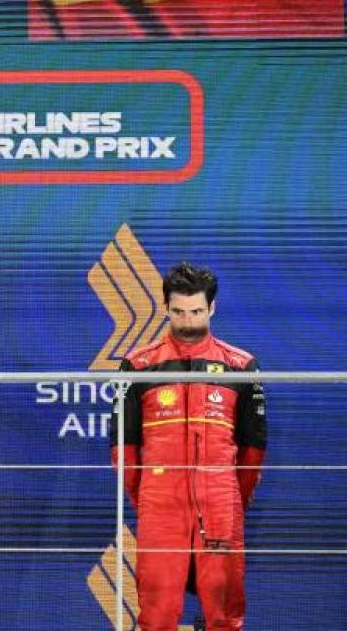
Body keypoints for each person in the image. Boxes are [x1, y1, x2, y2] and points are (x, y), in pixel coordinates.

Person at [112, 262, 266, 631]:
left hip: (219, 500)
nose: (188, 321)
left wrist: (228, 497)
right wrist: (149, 498)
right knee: (157, 613)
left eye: (196, 311)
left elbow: (253, 449)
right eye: (179, 311)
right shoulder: (138, 365)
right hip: (160, 503)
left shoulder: (240, 366)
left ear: (211, 308)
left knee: (224, 613)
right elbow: (124, 447)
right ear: (166, 307)